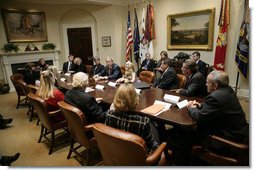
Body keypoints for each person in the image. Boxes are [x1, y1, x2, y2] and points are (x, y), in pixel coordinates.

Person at [166, 70, 249, 165]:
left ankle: (181, 163)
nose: (205, 84)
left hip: (225, 141)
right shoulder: (228, 90)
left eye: (207, 82)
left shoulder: (215, 97)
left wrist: (191, 108)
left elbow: (199, 117)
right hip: (238, 133)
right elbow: (214, 106)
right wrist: (199, 105)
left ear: (215, 85)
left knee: (179, 134)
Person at [105, 83, 159, 153]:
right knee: (156, 130)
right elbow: (152, 147)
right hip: (138, 158)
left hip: (116, 152)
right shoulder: (143, 122)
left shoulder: (109, 115)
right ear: (136, 99)